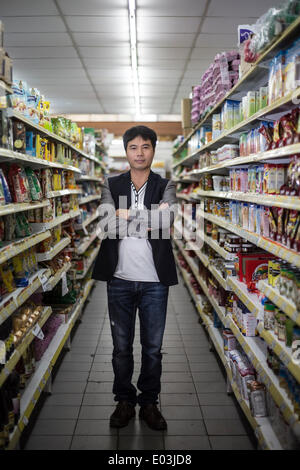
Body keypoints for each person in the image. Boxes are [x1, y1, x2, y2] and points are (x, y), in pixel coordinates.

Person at [92, 125, 178, 431]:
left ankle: (150, 403)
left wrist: (124, 215)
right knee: (121, 347)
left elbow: (166, 220)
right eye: (133, 147)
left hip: (155, 280)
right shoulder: (110, 184)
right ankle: (124, 401)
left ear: (153, 150)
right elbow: (107, 224)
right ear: (125, 151)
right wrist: (148, 219)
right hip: (120, 279)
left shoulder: (166, 184)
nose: (139, 153)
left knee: (153, 348)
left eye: (145, 147)